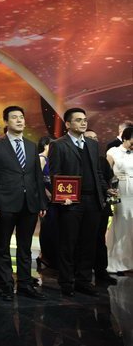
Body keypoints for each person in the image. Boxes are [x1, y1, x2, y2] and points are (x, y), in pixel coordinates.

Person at [49, 108, 114, 297]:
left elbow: (98, 172)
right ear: (68, 124)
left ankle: (83, 280)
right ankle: (66, 281)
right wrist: (62, 197)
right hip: (71, 201)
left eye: (85, 119)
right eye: (78, 120)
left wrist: (105, 189)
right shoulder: (58, 145)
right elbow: (55, 174)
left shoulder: (92, 144)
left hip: (93, 200)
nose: (83, 123)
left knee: (89, 243)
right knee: (68, 243)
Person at [0, 106, 47, 301]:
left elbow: (37, 176)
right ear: (6, 122)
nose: (20, 120)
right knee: (2, 246)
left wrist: (42, 202)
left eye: (21, 117)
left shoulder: (31, 145)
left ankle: (25, 284)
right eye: (14, 117)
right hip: (4, 203)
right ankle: (6, 284)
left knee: (25, 247)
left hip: (29, 203)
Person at [84, 129, 117, 285]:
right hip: (84, 206)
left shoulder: (102, 160)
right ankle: (82, 274)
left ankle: (101, 271)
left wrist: (110, 190)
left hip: (101, 205)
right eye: (90, 138)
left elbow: (108, 180)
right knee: (85, 241)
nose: (94, 140)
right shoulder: (79, 159)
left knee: (100, 240)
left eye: (95, 138)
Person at [106, 126, 133, 273]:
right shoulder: (113, 151)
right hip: (121, 190)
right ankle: (118, 261)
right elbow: (106, 172)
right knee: (122, 225)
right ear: (125, 138)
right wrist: (108, 188)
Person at [36, 136, 58, 270]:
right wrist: (46, 193)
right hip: (46, 199)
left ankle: (50, 257)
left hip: (55, 199)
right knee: (47, 228)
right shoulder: (41, 158)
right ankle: (44, 256)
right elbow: (37, 179)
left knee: (53, 228)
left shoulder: (52, 159)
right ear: (45, 145)